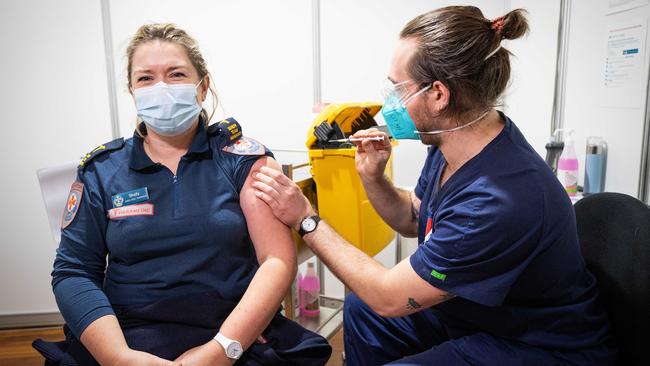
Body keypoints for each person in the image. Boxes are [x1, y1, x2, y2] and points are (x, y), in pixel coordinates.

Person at [252, 6, 616, 365]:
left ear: (439, 94)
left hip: (538, 343)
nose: (388, 101)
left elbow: (389, 297)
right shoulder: (460, 141)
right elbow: (414, 217)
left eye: (396, 88)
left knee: (377, 303)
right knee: (363, 310)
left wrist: (306, 220)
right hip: (483, 312)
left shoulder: (496, 201)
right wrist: (373, 178)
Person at [34, 23, 331, 366]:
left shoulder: (243, 160)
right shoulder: (102, 170)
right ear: (132, 92)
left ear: (202, 87)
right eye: (145, 78)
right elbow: (74, 271)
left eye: (176, 74)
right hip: (127, 334)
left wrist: (220, 352)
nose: (161, 88)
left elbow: (276, 260)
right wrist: (118, 358)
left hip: (233, 330)